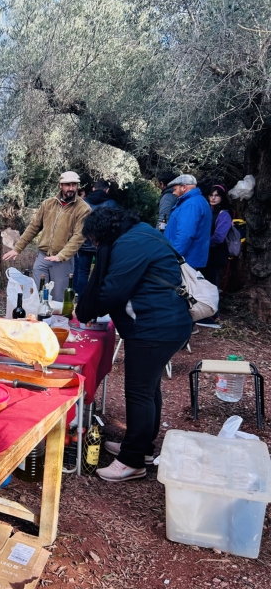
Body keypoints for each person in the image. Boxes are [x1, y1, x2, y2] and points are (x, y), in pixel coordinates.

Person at [76, 207, 191, 482]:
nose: (95, 246)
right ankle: (141, 449)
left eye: (94, 240)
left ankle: (131, 461)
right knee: (149, 389)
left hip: (155, 326)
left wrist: (86, 309)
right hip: (166, 323)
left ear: (102, 233)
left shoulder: (130, 244)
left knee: (139, 392)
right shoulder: (139, 232)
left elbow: (113, 290)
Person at [3, 171, 91, 302]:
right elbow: (33, 227)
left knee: (58, 299)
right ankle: (38, 322)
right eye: (67, 184)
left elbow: (79, 237)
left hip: (63, 261)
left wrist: (61, 256)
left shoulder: (83, 209)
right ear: (60, 185)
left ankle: (56, 323)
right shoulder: (47, 204)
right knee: (38, 296)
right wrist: (18, 248)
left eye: (74, 185)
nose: (71, 188)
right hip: (43, 257)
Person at [197, 185, 232, 329]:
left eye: (216, 195)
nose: (213, 198)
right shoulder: (207, 211)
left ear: (222, 198)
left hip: (215, 254)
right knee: (202, 282)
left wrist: (202, 243)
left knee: (211, 283)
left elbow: (219, 237)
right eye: (211, 195)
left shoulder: (224, 214)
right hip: (204, 253)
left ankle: (213, 314)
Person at [73, 179, 117, 296]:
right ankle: (97, 300)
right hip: (102, 245)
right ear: (107, 190)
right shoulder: (111, 204)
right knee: (101, 273)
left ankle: (80, 299)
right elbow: (114, 226)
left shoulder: (83, 203)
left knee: (82, 273)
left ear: (93, 189)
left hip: (84, 243)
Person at [163, 174, 212, 269]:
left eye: (175, 189)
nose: (173, 193)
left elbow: (185, 235)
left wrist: (172, 258)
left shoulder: (191, 205)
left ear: (184, 187)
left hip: (185, 262)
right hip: (190, 259)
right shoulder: (198, 201)